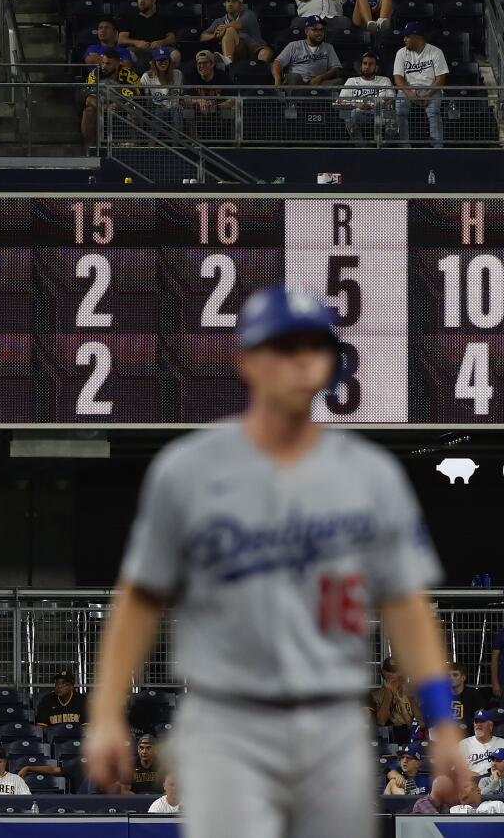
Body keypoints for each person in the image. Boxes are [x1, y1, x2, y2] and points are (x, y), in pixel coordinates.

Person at [82, 284, 462, 838]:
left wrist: (443, 720)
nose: (302, 359)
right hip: (226, 719)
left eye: (315, 346)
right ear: (248, 361)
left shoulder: (371, 476)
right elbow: (139, 599)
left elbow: (406, 607)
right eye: (285, 346)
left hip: (333, 719)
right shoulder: (187, 471)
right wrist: (106, 711)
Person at [392, 22, 448, 149]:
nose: (404, 39)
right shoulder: (401, 53)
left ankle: (437, 147)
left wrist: (428, 95)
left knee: (433, 111)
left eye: (407, 36)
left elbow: (440, 79)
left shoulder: (435, 52)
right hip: (407, 89)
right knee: (400, 108)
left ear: (417, 37)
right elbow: (398, 78)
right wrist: (410, 93)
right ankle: (404, 145)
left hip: (431, 89)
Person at [81, 48, 139, 144]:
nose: (103, 66)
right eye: (103, 62)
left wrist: (118, 105)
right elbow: (89, 97)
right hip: (101, 107)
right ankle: (89, 150)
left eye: (108, 64)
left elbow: (135, 96)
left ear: (117, 64)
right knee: (88, 111)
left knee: (134, 111)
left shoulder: (129, 75)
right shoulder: (95, 73)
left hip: (121, 107)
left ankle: (133, 147)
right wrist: (104, 107)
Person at [271, 16, 342, 93]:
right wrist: (277, 80)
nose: (319, 33)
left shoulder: (328, 47)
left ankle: (318, 103)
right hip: (297, 82)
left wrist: (321, 77)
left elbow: (335, 69)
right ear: (307, 32)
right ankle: (294, 103)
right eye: (315, 30)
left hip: (318, 83)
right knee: (294, 76)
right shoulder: (294, 45)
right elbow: (278, 63)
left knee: (339, 82)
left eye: (322, 30)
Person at [337, 51, 394, 147]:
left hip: (380, 112)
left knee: (392, 118)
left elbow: (390, 100)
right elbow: (340, 102)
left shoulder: (384, 80)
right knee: (352, 115)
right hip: (360, 113)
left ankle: (384, 146)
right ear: (361, 66)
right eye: (364, 63)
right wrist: (356, 104)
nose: (367, 67)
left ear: (376, 67)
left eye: (371, 64)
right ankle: (361, 147)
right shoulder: (351, 81)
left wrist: (378, 105)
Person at [203, 0, 271, 65]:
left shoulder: (249, 14)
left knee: (265, 53)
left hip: (255, 47)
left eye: (234, 1)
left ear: (241, 6)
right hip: (239, 51)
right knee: (230, 30)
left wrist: (224, 28)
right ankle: (228, 60)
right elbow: (203, 36)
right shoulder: (219, 21)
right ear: (224, 4)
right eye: (228, 1)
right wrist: (214, 35)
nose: (230, 4)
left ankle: (259, 72)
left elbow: (239, 24)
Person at [119, 0, 178, 69]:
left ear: (154, 0)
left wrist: (160, 42)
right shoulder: (129, 18)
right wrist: (137, 43)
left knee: (175, 55)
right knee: (126, 54)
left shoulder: (163, 18)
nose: (141, 1)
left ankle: (166, 79)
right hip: (137, 50)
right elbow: (121, 39)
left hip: (159, 50)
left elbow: (172, 38)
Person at [368, 656, 422, 743]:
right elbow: (381, 722)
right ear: (384, 672)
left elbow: (420, 723)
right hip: (388, 737)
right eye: (390, 671)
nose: (394, 675)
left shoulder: (414, 691)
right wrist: (389, 693)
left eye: (397, 671)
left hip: (413, 736)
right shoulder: (375, 695)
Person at [138, 47, 184, 131]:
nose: (163, 63)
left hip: (174, 108)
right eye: (159, 60)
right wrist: (157, 106)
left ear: (169, 61)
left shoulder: (178, 74)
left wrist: (180, 103)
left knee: (177, 114)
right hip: (156, 108)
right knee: (159, 113)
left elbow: (181, 94)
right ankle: (151, 143)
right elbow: (144, 100)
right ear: (154, 62)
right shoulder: (147, 77)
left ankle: (176, 143)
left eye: (165, 60)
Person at [462, 710, 504, 777]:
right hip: (472, 782)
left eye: (482, 721)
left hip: (496, 781)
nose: (478, 724)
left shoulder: (502, 743)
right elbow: (457, 771)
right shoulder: (464, 744)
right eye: (476, 721)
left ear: (490, 725)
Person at [452, 663, 489, 736]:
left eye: (455, 675)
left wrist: (467, 724)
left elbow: (481, 716)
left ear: (463, 678)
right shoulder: (441, 695)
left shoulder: (473, 694)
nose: (451, 678)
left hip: (469, 734)